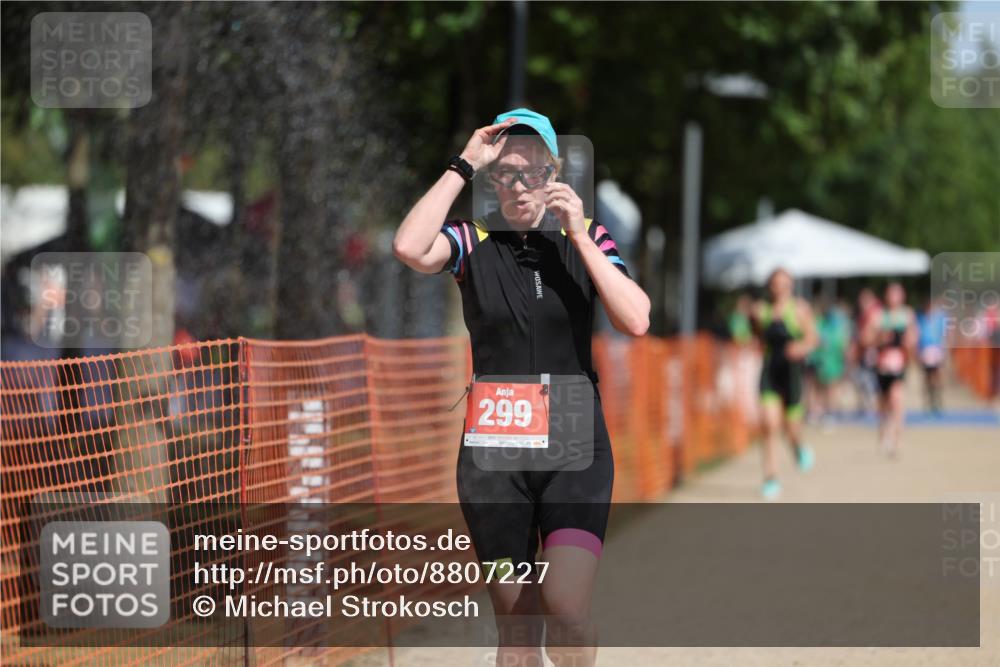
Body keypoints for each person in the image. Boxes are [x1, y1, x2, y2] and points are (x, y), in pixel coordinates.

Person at [393, 108, 650, 666]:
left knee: (564, 608)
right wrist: (463, 163)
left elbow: (636, 319)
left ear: (554, 174)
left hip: (574, 451)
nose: (518, 184)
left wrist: (580, 235)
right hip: (495, 459)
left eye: (532, 171)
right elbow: (410, 248)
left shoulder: (587, 239)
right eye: (505, 172)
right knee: (515, 633)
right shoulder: (470, 239)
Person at [750, 268, 818, 500]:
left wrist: (800, 348)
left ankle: (798, 447)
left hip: (792, 373)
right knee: (769, 425)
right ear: (769, 286)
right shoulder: (760, 311)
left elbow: (813, 338)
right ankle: (770, 478)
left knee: (791, 427)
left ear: (790, 286)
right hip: (770, 371)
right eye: (775, 284)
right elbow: (756, 335)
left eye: (784, 284)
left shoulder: (799, 309)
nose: (779, 288)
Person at [863, 282, 917, 458]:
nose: (894, 297)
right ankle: (883, 432)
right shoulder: (878, 316)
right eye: (891, 294)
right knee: (883, 405)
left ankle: (897, 438)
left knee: (897, 400)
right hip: (881, 366)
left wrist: (909, 345)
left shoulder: (907, 315)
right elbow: (865, 339)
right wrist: (880, 338)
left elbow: (913, 338)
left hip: (899, 366)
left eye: (897, 294)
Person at [809, 300, 851, 424]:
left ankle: (828, 413)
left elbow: (843, 345)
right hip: (820, 362)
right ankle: (817, 411)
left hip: (832, 363)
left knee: (829, 389)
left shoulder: (834, 326)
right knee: (818, 388)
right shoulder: (818, 324)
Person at [916, 297, 948, 414]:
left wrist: (944, 350)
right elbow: (917, 334)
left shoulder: (940, 317)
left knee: (937, 376)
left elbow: (944, 334)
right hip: (924, 350)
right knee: (927, 377)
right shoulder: (919, 316)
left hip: (936, 349)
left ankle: (937, 400)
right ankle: (929, 402)